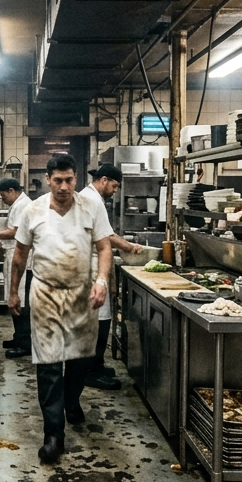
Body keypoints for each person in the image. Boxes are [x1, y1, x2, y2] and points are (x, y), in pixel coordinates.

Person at [9, 154, 113, 464]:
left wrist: (102, 281)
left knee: (81, 358)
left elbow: (104, 247)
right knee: (50, 363)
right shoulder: (34, 210)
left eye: (69, 180)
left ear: (76, 178)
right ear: (47, 179)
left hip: (82, 293)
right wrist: (13, 292)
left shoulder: (92, 206)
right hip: (45, 293)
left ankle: (72, 401)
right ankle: (54, 434)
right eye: (58, 181)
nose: (64, 187)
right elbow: (20, 254)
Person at [78, 164, 145, 390]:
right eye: (115, 186)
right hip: (91, 269)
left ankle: (95, 365)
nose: (116, 190)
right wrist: (128, 246)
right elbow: (106, 235)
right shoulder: (93, 200)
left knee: (99, 321)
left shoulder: (89, 196)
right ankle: (89, 373)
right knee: (98, 322)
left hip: (92, 265)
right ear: (104, 180)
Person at [0, 177, 33, 358]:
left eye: (3, 196)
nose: (3, 199)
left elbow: (16, 232)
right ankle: (18, 337)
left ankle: (24, 344)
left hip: (21, 257)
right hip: (14, 254)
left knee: (19, 300)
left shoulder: (22, 205)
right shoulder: (19, 204)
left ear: (12, 191)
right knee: (15, 300)